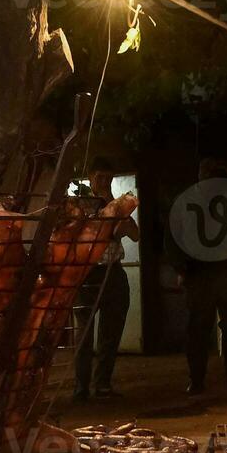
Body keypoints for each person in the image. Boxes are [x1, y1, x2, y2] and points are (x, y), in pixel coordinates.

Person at [181, 159, 227, 396]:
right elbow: (175, 236)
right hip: (200, 271)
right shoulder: (189, 199)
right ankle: (197, 379)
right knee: (198, 329)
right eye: (206, 173)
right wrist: (182, 269)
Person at [74, 160, 140, 400]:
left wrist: (118, 213)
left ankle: (102, 384)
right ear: (90, 177)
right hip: (88, 271)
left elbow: (135, 235)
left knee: (111, 330)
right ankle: (80, 387)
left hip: (113, 270)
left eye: (107, 177)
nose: (103, 182)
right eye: (99, 177)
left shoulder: (117, 204)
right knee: (84, 332)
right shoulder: (81, 204)